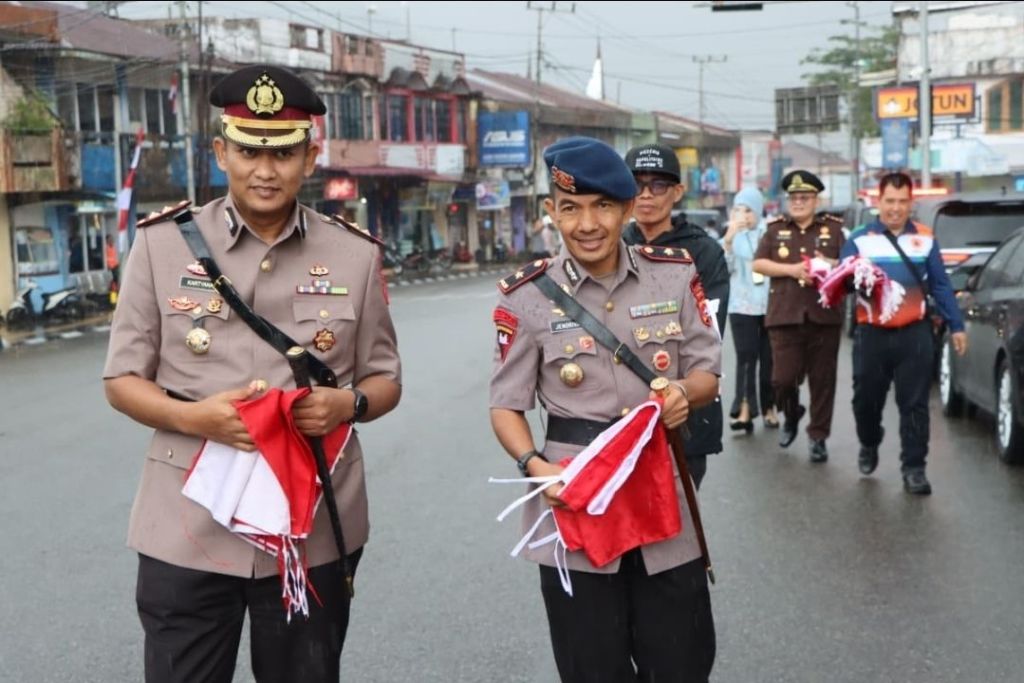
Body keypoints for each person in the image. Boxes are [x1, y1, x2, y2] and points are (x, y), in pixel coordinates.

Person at [102, 64, 402, 682]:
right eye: (248, 151)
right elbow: (122, 379)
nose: (265, 170)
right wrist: (196, 418)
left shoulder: (355, 254)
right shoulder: (161, 246)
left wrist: (347, 406)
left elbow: (384, 379)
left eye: (283, 153)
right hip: (185, 523)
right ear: (222, 153)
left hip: (311, 527)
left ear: (309, 158)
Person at [490, 136, 720, 682]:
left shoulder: (673, 274)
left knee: (683, 663)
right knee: (592, 667)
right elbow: (505, 406)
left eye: (602, 206)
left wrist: (683, 393)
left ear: (626, 208)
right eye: (571, 208)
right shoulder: (527, 296)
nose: (587, 224)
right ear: (552, 212)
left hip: (662, 498)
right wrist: (534, 466)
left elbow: (707, 373)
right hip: (577, 501)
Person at [840, 172, 967, 495]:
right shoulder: (859, 239)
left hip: (915, 333)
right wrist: (852, 278)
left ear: (911, 203)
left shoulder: (924, 237)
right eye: (889, 201)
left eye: (901, 202)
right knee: (865, 401)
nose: (895, 208)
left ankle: (914, 468)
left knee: (914, 404)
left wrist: (956, 325)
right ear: (879, 202)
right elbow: (842, 283)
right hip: (871, 334)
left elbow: (940, 285)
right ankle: (870, 441)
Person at [622, 142, 729, 488]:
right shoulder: (611, 245)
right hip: (619, 410)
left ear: (677, 192)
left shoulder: (703, 251)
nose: (645, 195)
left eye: (658, 185)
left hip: (685, 406)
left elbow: (709, 333)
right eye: (637, 184)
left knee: (678, 515)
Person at [751, 171, 845, 463]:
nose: (798, 202)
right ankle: (791, 414)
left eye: (804, 197)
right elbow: (758, 263)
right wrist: (792, 270)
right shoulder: (775, 228)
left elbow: (848, 265)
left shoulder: (833, 229)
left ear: (816, 200)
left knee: (822, 381)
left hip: (823, 315)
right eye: (793, 198)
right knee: (782, 379)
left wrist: (829, 264)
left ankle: (818, 437)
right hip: (784, 315)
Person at [720, 187, 777, 433]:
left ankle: (769, 406)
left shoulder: (771, 232)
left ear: (758, 211)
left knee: (769, 359)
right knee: (746, 358)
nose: (743, 215)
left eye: (748, 210)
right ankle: (744, 408)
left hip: (770, 306)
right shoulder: (731, 236)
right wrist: (729, 240)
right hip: (741, 307)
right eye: (738, 209)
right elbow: (723, 270)